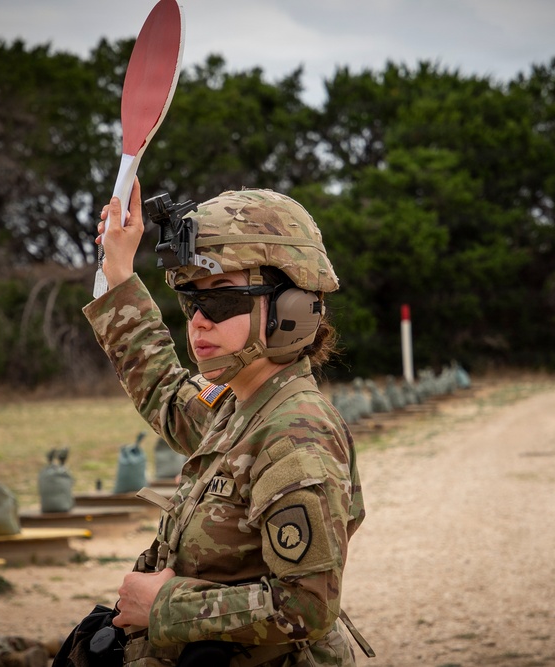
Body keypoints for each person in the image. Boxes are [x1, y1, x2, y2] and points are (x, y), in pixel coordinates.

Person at [82, 178, 368, 666]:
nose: (198, 320)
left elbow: (308, 607)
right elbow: (167, 397)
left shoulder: (295, 434)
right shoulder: (239, 406)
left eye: (220, 299)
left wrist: (165, 607)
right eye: (192, 300)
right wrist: (118, 269)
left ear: (291, 307)